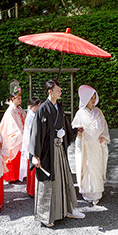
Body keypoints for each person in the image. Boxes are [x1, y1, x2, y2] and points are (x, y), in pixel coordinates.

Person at [29, 80, 85, 227]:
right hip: (47, 151)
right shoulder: (42, 109)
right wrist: (35, 155)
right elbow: (36, 132)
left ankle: (69, 209)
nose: (60, 92)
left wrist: (73, 131)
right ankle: (46, 217)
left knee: (64, 179)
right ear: (50, 91)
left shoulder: (59, 107)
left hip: (59, 150)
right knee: (48, 183)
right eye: (58, 90)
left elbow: (65, 126)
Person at [72, 85, 110, 205]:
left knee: (97, 168)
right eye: (90, 97)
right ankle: (87, 192)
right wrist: (78, 133)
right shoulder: (80, 113)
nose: (93, 100)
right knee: (87, 168)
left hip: (97, 146)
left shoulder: (98, 111)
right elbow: (74, 128)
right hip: (85, 146)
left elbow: (104, 126)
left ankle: (98, 192)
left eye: (94, 97)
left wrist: (104, 136)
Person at [0, 86, 26, 183]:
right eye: (18, 98)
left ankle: (19, 174)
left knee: (19, 157)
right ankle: (11, 176)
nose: (20, 100)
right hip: (14, 136)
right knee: (12, 156)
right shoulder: (10, 110)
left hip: (21, 134)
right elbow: (11, 125)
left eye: (20, 98)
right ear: (12, 99)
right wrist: (20, 133)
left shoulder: (19, 109)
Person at [19, 97, 41, 196]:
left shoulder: (33, 115)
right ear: (32, 106)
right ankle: (32, 190)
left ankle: (32, 189)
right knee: (32, 168)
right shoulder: (31, 117)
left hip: (33, 143)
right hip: (31, 144)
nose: (38, 107)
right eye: (37, 106)